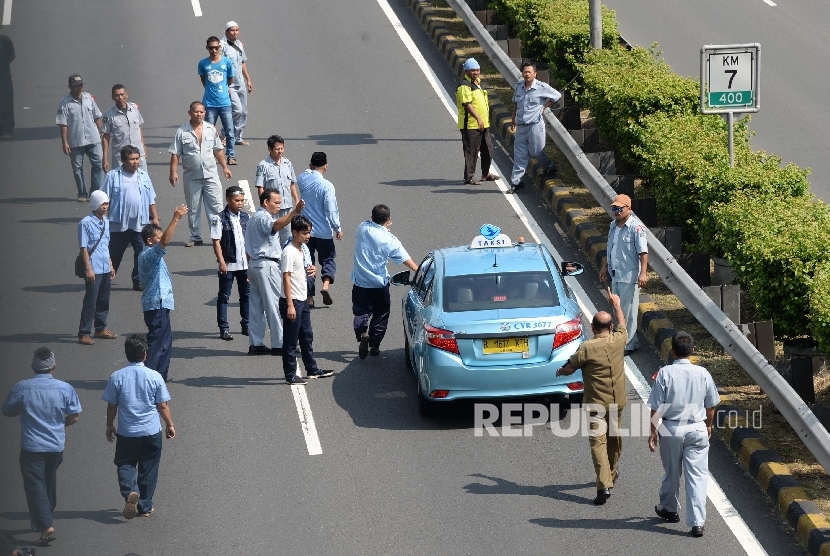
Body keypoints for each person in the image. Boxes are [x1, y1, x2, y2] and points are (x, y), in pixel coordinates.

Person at [2, 347, 81, 548]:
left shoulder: (22, 387)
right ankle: (45, 515)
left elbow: (7, 410)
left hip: (32, 446)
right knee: (48, 482)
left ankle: (45, 525)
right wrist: (60, 425)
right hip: (55, 446)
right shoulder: (65, 388)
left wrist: (24, 410)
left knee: (34, 485)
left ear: (32, 367)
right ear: (53, 367)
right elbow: (74, 416)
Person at [556, 292, 627, 505]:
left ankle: (604, 483)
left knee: (598, 442)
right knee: (615, 440)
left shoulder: (587, 348)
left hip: (596, 404)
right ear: (610, 327)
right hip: (617, 402)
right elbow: (623, 324)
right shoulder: (618, 340)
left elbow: (570, 368)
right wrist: (617, 304)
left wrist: (559, 372)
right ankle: (611, 474)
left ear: (593, 328)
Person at [648, 331, 720, 538]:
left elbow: (656, 407)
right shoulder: (703, 373)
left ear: (672, 351)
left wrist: (652, 431)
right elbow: (711, 405)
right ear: (693, 351)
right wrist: (708, 425)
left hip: (671, 428)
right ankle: (697, 523)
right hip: (697, 428)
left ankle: (670, 509)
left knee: (672, 472)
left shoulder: (664, 373)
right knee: (697, 475)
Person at [103, 334, 175, 520]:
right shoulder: (155, 376)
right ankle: (145, 506)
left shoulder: (116, 377)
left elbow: (112, 405)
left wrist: (110, 424)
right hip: (151, 431)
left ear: (126, 354)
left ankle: (130, 492)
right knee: (149, 468)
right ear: (145, 354)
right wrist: (169, 425)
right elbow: (162, 405)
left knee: (125, 463)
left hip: (127, 433)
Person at [352, 204, 418, 359]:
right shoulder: (390, 240)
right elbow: (405, 259)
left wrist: (382, 226)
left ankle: (362, 334)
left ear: (372, 217)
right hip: (379, 283)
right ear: (388, 219)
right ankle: (374, 344)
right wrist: (419, 271)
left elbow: (372, 225)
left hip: (361, 282)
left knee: (361, 311)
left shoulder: (362, 228)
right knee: (381, 313)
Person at [245, 189, 305, 355]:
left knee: (256, 307)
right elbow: (274, 226)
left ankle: (256, 343)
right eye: (276, 203)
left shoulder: (253, 218)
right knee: (274, 305)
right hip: (267, 265)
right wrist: (294, 212)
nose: (279, 206)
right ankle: (280, 344)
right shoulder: (263, 216)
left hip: (255, 264)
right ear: (266, 202)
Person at [169, 101, 232, 247]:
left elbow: (218, 150)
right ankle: (195, 236)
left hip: (211, 175)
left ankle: (218, 236)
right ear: (189, 112)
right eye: (196, 111)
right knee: (193, 208)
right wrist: (173, 172)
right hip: (191, 177)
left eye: (201, 112)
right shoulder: (182, 131)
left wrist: (225, 167)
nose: (199, 114)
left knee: (216, 207)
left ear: (205, 113)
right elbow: (175, 154)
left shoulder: (211, 129)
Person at [280, 215, 335, 384]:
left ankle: (312, 369)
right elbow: (286, 278)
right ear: (294, 232)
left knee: (307, 336)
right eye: (304, 233)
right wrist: (290, 305)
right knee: (291, 341)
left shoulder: (302, 249)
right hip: (293, 302)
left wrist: (311, 269)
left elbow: (299, 271)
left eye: (309, 232)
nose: (308, 236)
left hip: (302, 301)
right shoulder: (288, 252)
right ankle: (290, 375)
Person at [137, 204, 189, 382]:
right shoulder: (148, 256)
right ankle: (148, 379)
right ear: (150, 241)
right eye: (158, 237)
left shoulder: (154, 255)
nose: (162, 239)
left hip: (162, 305)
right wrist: (175, 219)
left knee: (166, 344)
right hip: (155, 305)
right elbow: (165, 241)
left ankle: (160, 376)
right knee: (157, 344)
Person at [101, 145, 159, 292]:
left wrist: (156, 219)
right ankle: (105, 279)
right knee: (114, 254)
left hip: (140, 224)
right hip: (119, 225)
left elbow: (151, 199)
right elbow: (103, 199)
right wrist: (100, 220)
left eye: (137, 158)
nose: (136, 162)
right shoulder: (113, 176)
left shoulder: (143, 175)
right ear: (123, 160)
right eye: (132, 159)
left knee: (141, 254)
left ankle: (138, 281)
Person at [599, 193, 648, 354]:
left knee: (626, 311)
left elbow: (643, 253)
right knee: (618, 308)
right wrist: (604, 267)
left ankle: (626, 345)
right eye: (614, 208)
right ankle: (630, 341)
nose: (616, 211)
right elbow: (610, 249)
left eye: (620, 208)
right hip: (615, 274)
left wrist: (643, 274)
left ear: (629, 208)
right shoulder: (613, 226)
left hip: (629, 275)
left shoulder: (636, 228)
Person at [296, 152, 342, 306]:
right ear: (326, 166)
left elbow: (305, 173)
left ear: (310, 165)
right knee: (328, 259)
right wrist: (337, 228)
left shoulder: (302, 179)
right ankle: (326, 285)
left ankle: (309, 297)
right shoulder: (327, 186)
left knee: (308, 264)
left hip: (305, 230)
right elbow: (331, 210)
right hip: (323, 232)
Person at [509, 62, 560, 193]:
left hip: (535, 125)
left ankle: (550, 167)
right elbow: (516, 103)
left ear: (535, 74)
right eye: (525, 72)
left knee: (536, 151)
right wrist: (513, 119)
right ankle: (516, 182)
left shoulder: (541, 87)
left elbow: (556, 96)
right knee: (519, 154)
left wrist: (544, 107)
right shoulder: (519, 85)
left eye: (529, 72)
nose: (527, 74)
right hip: (521, 125)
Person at [78, 190, 118, 345]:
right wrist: (88, 268)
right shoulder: (85, 223)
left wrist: (111, 264)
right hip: (94, 267)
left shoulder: (106, 222)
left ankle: (100, 328)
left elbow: (105, 245)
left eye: (107, 203)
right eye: (102, 204)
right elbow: (83, 248)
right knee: (91, 300)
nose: (105, 206)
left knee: (103, 299)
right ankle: (84, 332)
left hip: (105, 267)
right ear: (94, 204)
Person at [56, 74, 104, 202]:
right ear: (70, 87)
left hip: (93, 138)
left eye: (80, 85)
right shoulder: (65, 103)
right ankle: (82, 192)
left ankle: (95, 192)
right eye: (76, 86)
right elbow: (63, 123)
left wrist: (103, 132)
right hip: (75, 140)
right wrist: (64, 142)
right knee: (77, 168)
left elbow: (97, 117)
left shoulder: (89, 99)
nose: (79, 88)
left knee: (98, 163)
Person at [210, 185, 249, 341]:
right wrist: (221, 262)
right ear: (228, 200)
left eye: (242, 200)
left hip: (244, 264)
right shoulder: (218, 218)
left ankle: (246, 324)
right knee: (224, 296)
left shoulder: (246, 217)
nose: (240, 203)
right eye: (237, 200)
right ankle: (224, 328)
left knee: (246, 296)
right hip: (229, 263)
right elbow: (216, 242)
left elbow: (250, 241)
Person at [456, 58, 498, 185]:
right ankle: (469, 177)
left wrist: (483, 121)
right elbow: (467, 104)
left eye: (477, 70)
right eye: (472, 70)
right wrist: (478, 118)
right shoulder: (464, 85)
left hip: (483, 124)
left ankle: (486, 173)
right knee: (472, 152)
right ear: (466, 71)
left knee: (488, 150)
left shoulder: (477, 83)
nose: (475, 72)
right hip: (471, 125)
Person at [198, 36, 236, 165]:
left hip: (225, 103)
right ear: (207, 48)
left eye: (216, 47)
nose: (214, 50)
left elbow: (230, 80)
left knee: (229, 131)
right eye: (211, 48)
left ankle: (230, 156)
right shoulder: (203, 63)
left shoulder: (226, 62)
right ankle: (210, 156)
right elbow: (204, 80)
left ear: (219, 47)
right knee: (209, 133)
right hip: (209, 104)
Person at [255, 135, 298, 245]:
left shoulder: (287, 163)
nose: (280, 151)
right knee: (271, 239)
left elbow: (292, 184)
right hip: (272, 210)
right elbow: (261, 188)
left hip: (287, 208)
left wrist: (296, 200)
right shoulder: (263, 166)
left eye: (282, 148)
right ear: (269, 149)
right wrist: (265, 207)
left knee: (288, 240)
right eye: (277, 149)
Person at [220, 21, 253, 147]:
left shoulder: (239, 44)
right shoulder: (222, 46)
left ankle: (237, 137)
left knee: (244, 111)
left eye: (237, 30)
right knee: (237, 110)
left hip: (241, 83)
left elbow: (242, 63)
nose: (235, 33)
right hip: (229, 84)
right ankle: (225, 133)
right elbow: (219, 65)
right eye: (232, 30)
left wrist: (248, 79)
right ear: (226, 32)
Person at [101, 84, 148, 172]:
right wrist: (105, 158)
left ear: (126, 95)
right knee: (120, 184)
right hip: (120, 158)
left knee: (142, 182)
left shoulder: (134, 109)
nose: (120, 98)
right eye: (117, 95)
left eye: (122, 94)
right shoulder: (109, 115)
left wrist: (143, 146)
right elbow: (105, 136)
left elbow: (138, 128)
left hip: (138, 155)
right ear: (113, 97)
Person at [0, 28, 14, 138]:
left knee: (6, 103)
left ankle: (7, 129)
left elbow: (11, 56)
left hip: (4, 78)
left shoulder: (5, 40)